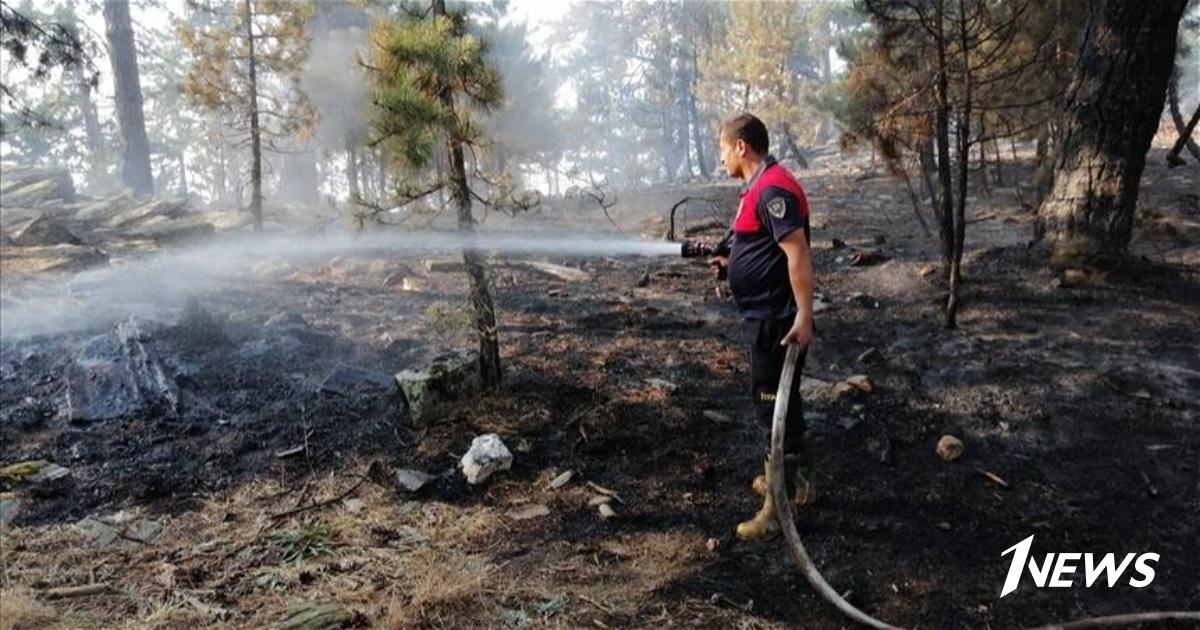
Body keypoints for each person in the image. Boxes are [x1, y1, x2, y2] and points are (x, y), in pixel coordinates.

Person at [706, 113, 816, 542]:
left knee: (771, 408)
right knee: (785, 404)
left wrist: (804, 315)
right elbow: (764, 248)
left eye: (722, 148)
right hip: (764, 314)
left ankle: (776, 505)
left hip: (776, 320)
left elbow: (797, 253)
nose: (721, 159)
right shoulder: (756, 188)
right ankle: (802, 483)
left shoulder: (773, 189)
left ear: (741, 146)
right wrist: (733, 264)